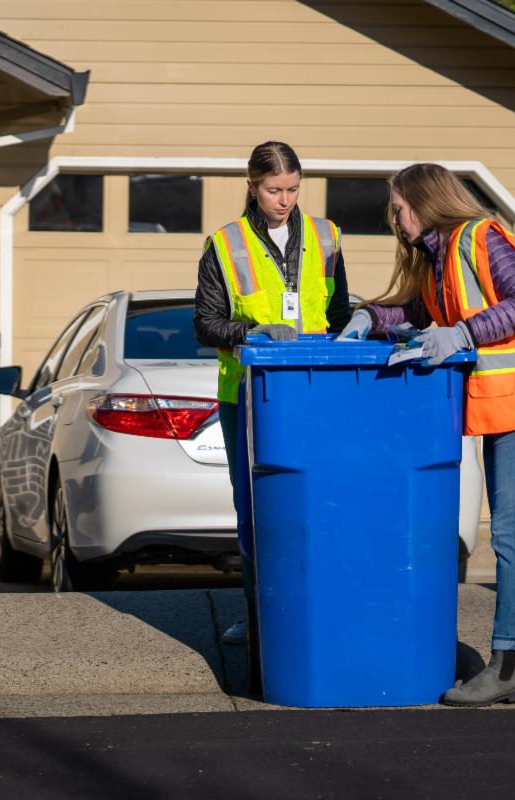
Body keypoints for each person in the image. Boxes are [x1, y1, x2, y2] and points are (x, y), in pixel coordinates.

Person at [339, 163, 515, 706]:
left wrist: (464, 332)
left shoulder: (482, 237)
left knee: (510, 532)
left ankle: (512, 664)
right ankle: (513, 661)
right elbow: (418, 310)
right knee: (509, 530)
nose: (393, 216)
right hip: (507, 405)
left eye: (398, 206)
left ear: (424, 202)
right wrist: (368, 318)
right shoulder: (441, 255)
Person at [194, 141, 351, 652]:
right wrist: (254, 330)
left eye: (292, 189)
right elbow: (205, 324)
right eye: (273, 189)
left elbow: (342, 314)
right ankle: (258, 611)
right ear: (252, 186)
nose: (284, 199)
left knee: (315, 501)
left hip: (314, 391)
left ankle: (315, 606)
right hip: (247, 394)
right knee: (255, 508)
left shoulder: (326, 237)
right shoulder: (225, 244)